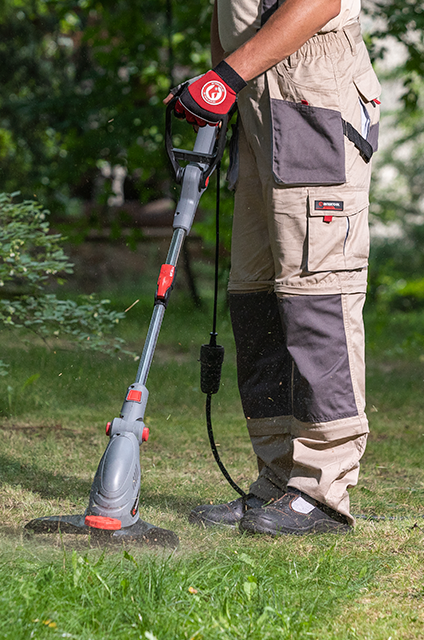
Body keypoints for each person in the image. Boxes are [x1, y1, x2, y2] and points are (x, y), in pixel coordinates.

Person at [168, 0, 380, 536]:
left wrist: (227, 78)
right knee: (256, 294)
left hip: (313, 89)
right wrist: (221, 85)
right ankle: (279, 477)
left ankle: (322, 489)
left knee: (316, 293)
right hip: (257, 98)